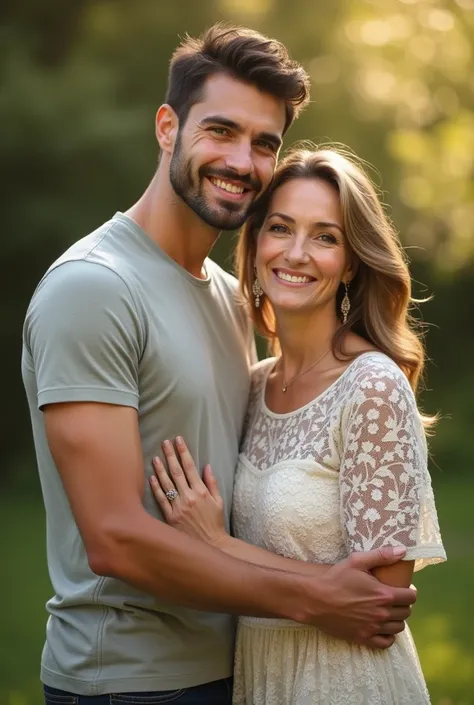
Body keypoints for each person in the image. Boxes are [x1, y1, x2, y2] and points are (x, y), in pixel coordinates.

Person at [22, 23, 417, 705]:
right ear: (167, 126)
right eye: (222, 131)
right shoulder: (94, 287)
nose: (242, 160)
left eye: (265, 143)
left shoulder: (235, 300)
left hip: (237, 673)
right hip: (129, 683)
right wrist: (316, 596)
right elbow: (116, 539)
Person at [149, 146, 446, 705]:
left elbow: (380, 604)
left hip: (347, 681)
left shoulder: (371, 386)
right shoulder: (255, 384)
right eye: (281, 228)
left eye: (326, 237)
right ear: (257, 243)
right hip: (257, 677)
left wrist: (216, 544)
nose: (298, 253)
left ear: (353, 262)